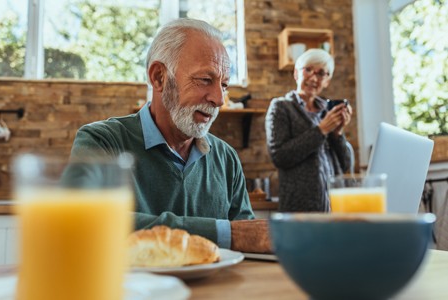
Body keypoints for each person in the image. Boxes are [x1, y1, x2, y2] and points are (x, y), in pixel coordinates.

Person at [69, 18, 271, 253]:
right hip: (133, 290)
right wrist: (224, 233)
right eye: (205, 80)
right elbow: (85, 223)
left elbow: (251, 241)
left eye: (224, 85)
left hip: (217, 289)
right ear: (159, 77)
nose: (218, 99)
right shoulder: (101, 142)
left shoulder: (226, 158)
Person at [265, 49, 352, 212]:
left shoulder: (327, 112)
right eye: (308, 70)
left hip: (334, 209)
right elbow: (280, 156)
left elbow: (345, 164)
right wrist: (321, 130)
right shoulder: (281, 107)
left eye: (321, 73)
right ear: (296, 74)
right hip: (298, 211)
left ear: (327, 81)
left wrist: (337, 133)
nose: (313, 77)